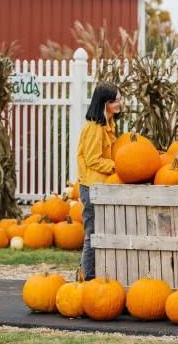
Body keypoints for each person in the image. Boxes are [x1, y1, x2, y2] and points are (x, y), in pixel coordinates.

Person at [76, 81, 121, 280]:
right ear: (105, 103)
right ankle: (88, 279)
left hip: (103, 187)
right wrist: (116, 166)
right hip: (92, 187)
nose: (120, 103)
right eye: (116, 100)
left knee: (101, 235)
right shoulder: (95, 127)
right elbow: (92, 159)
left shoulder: (109, 124)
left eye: (119, 98)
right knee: (93, 235)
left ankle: (87, 275)